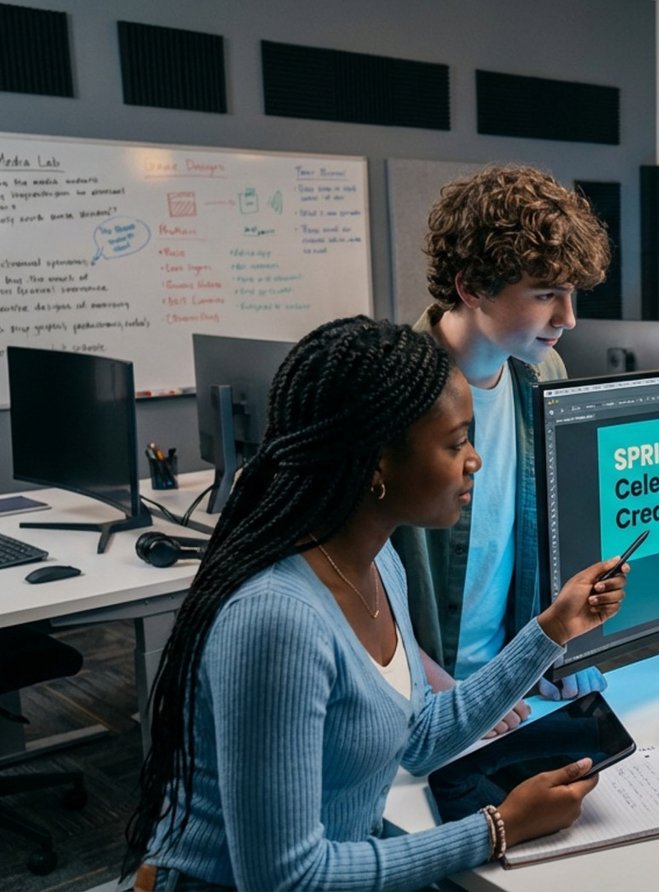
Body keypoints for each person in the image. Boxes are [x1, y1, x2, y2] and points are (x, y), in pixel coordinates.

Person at [125, 317, 629, 890]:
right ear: (377, 466)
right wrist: (496, 828)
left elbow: (417, 737)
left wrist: (551, 630)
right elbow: (286, 879)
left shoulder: (378, 560)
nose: (475, 461)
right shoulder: (278, 619)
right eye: (456, 441)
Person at [395, 163, 612, 704]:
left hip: (509, 687)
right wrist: (446, 698)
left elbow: (540, 538)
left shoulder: (546, 374)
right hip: (418, 694)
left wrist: (547, 650)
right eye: (545, 295)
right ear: (471, 287)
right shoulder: (392, 387)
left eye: (571, 294)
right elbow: (353, 586)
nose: (568, 317)